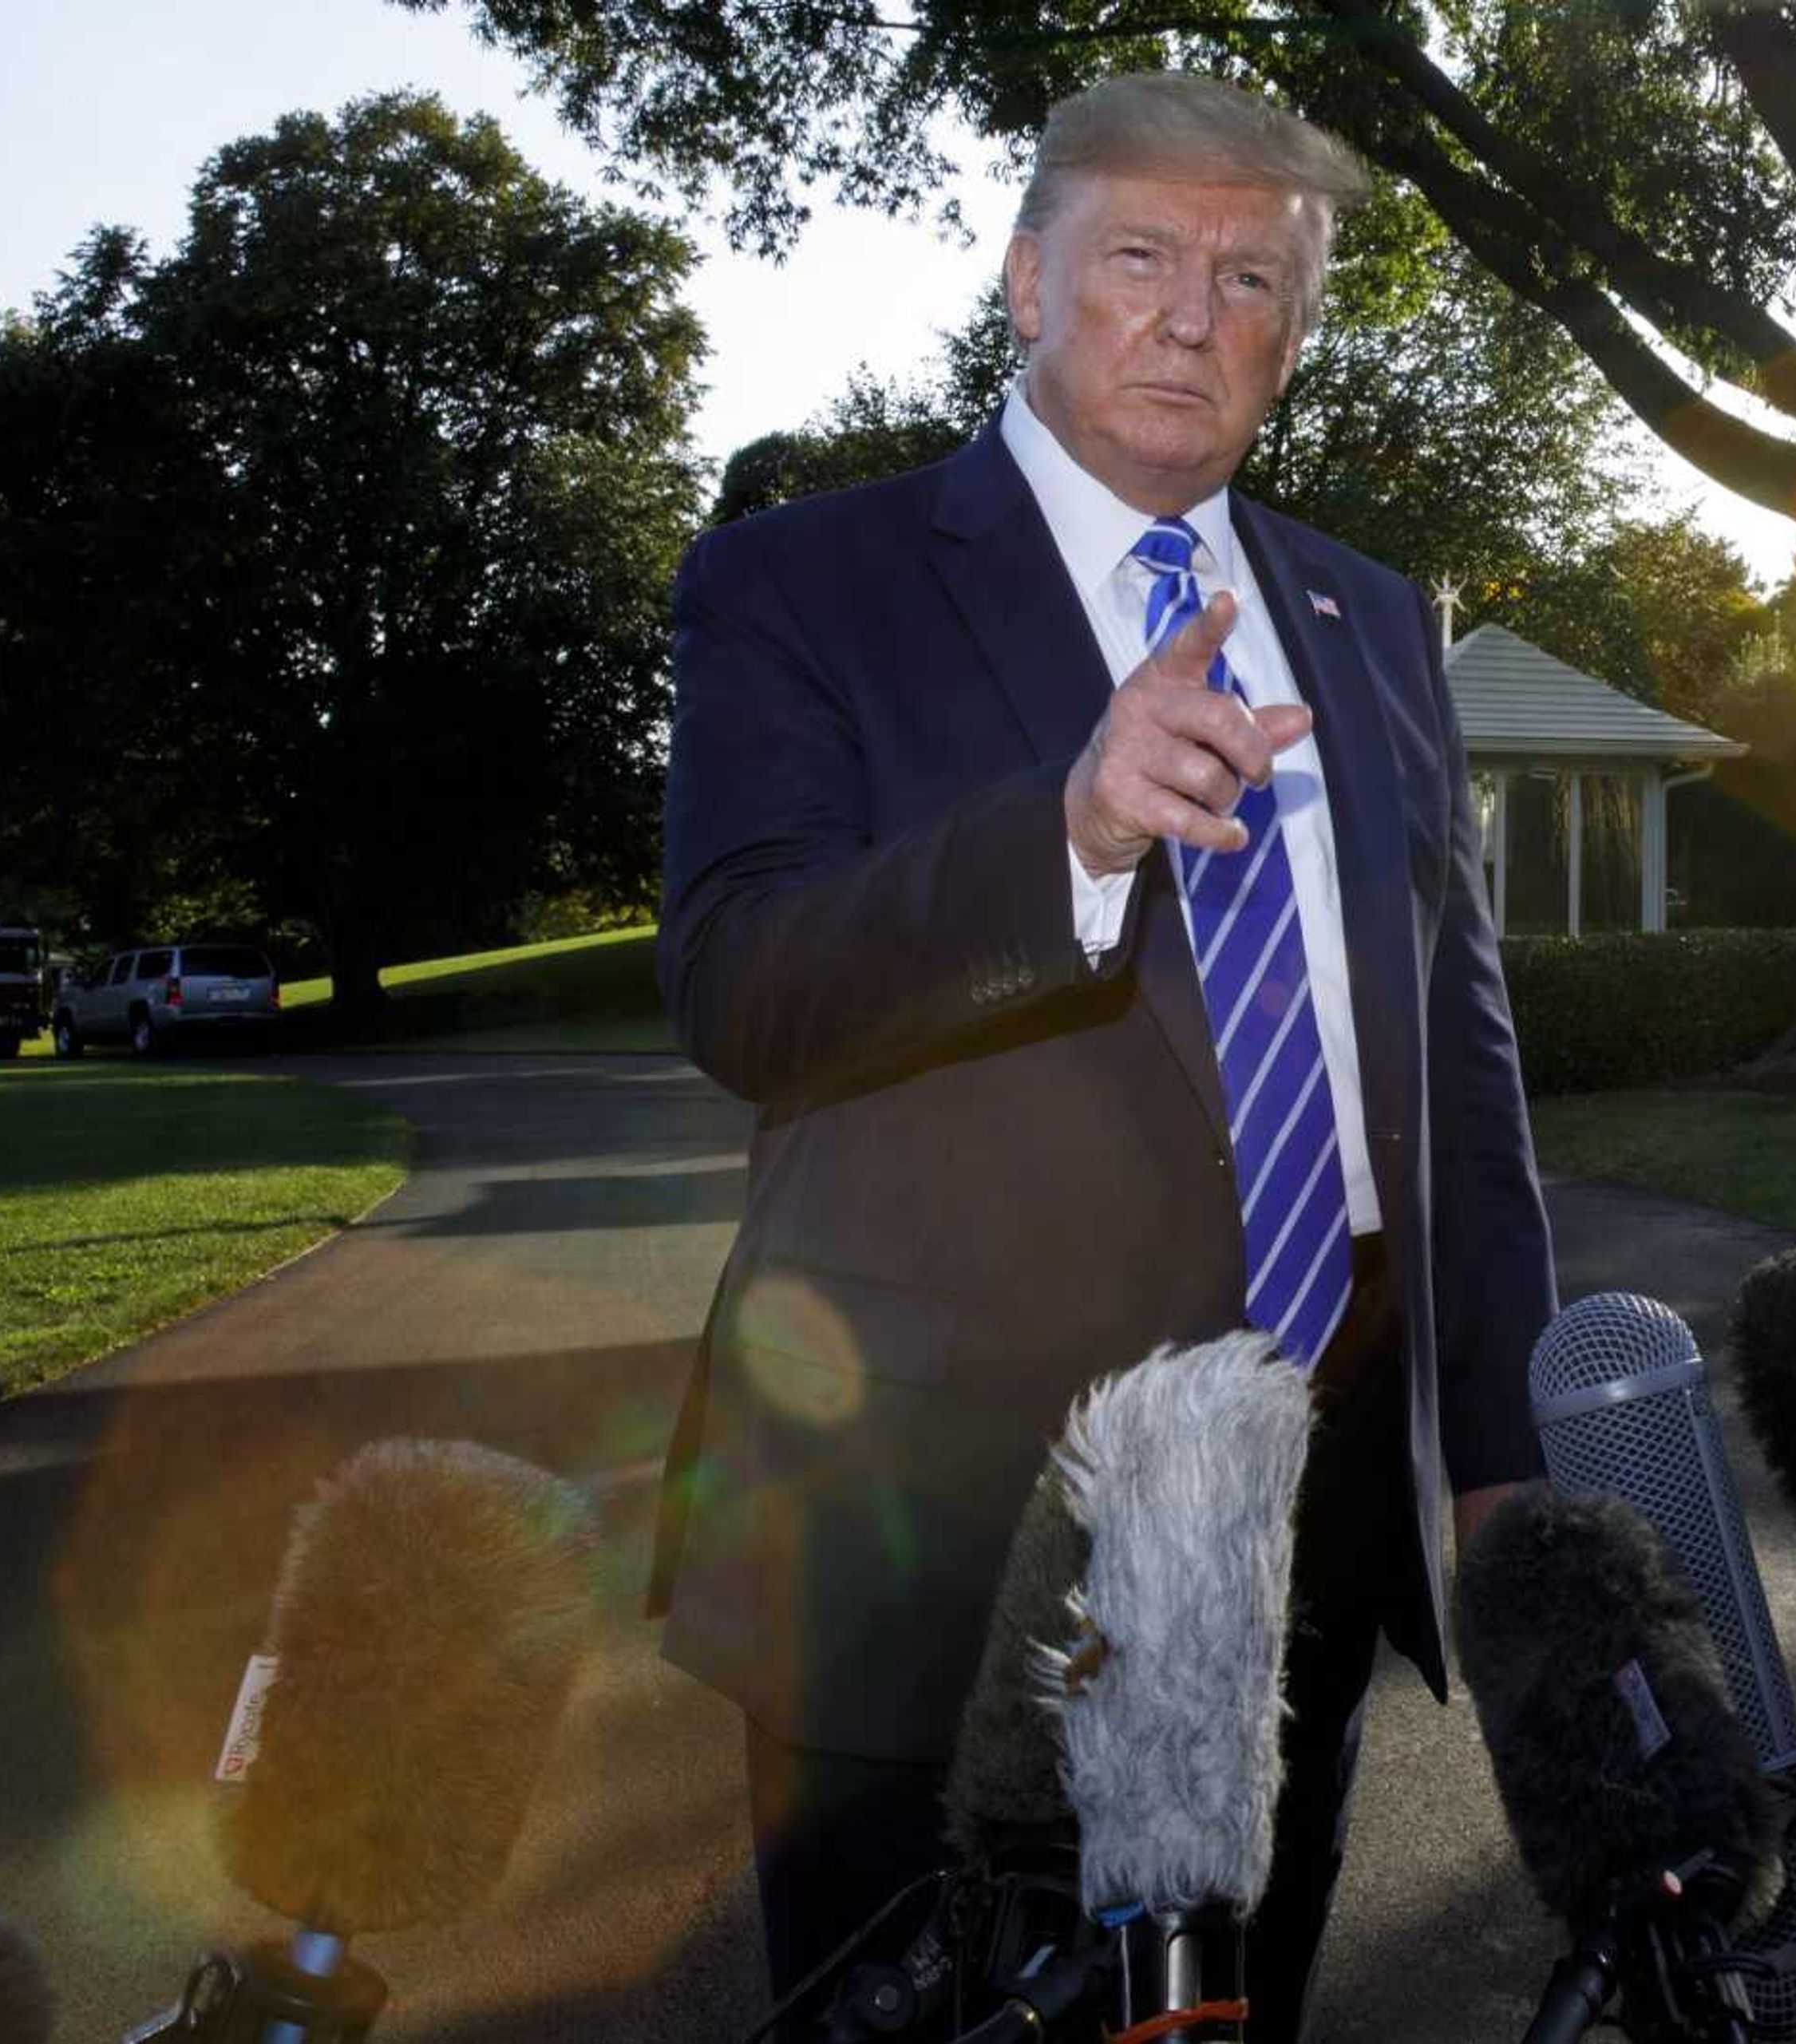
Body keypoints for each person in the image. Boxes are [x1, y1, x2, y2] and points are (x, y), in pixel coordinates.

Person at [648, 71, 1557, 2042]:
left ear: (1294, 335)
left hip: (1295, 1529)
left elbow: (1453, 1076)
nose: (1189, 312)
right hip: (925, 1539)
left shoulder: (1374, 620)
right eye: (1138, 255)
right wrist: (1063, 840)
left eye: (1249, 276)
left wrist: (1496, 1463)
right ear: (1024, 280)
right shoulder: (810, 580)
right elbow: (741, 991)